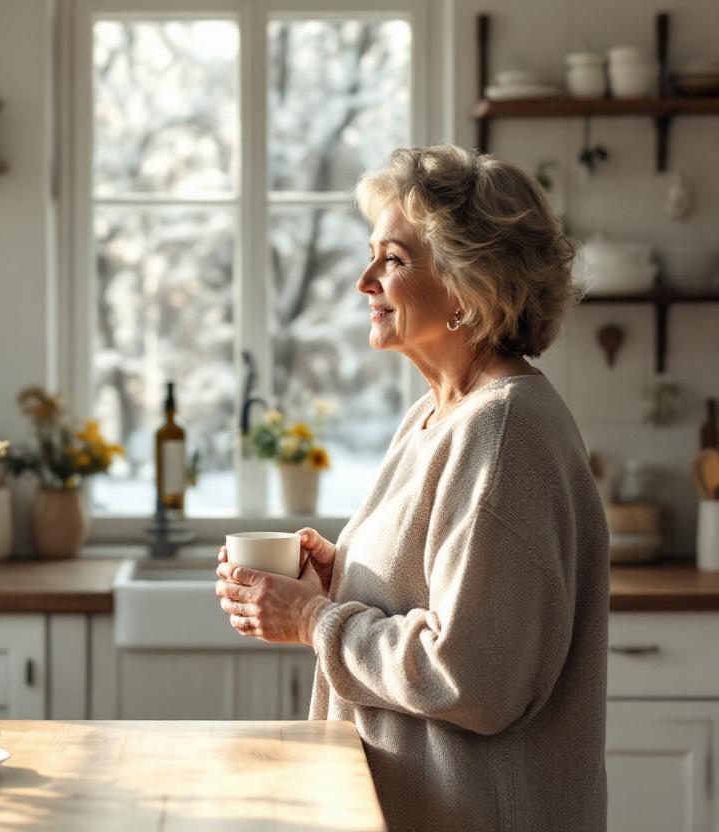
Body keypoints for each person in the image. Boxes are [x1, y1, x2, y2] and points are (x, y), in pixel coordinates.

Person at [215, 145, 608, 832]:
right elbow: (444, 594)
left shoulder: (505, 429)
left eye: (393, 260)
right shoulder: (435, 415)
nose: (364, 280)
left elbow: (472, 676)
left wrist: (313, 620)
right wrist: (339, 579)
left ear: (469, 284)